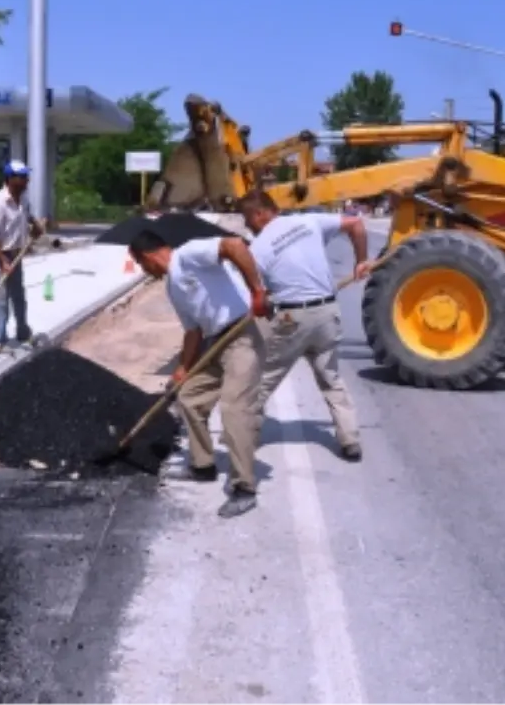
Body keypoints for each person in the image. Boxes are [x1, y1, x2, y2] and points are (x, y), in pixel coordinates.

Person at [128, 228, 269, 519]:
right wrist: (182, 369)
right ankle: (202, 466)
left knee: (235, 409)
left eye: (141, 265)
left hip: (242, 332)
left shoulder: (189, 254)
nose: (144, 271)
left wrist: (257, 291)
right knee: (190, 398)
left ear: (148, 257)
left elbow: (234, 245)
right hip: (215, 340)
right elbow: (192, 331)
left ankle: (245, 488)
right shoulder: (172, 287)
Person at [238, 190, 366, 461]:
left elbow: (256, 296)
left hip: (292, 320)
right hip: (327, 313)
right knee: (331, 379)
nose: (247, 224)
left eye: (248, 218)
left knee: (262, 380)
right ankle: (350, 440)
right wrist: (362, 261)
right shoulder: (309, 222)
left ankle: (244, 437)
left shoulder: (258, 249)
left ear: (260, 213)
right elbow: (356, 224)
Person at [0, 160, 43, 353]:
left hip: (16, 252)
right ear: (10, 179)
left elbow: (27, 215)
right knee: (1, 297)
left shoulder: (23, 198)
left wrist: (36, 225)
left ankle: (23, 332)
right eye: (22, 177)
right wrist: (2, 261)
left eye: (26, 176)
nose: (27, 180)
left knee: (19, 295)